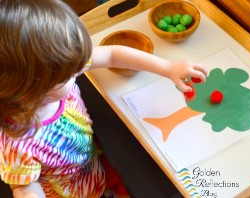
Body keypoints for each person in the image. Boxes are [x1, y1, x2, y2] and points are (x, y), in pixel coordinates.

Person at [0, 0, 207, 197]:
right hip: (73, 192)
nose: (79, 71)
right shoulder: (17, 140)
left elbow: (112, 54)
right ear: (28, 89)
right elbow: (24, 184)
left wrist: (168, 68)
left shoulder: (57, 69)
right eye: (69, 76)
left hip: (92, 161)